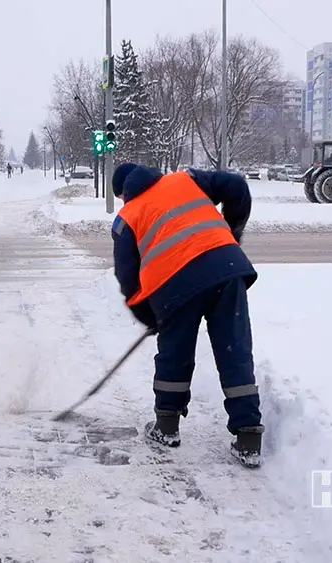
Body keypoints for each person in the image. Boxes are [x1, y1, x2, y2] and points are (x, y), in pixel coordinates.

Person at [110, 162, 263, 468]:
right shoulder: (185, 179)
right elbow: (237, 187)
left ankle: (166, 428)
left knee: (175, 355)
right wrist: (232, 231)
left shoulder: (126, 218)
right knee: (235, 350)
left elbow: (130, 283)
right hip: (226, 271)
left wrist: (150, 317)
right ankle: (248, 437)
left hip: (174, 284)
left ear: (123, 192)